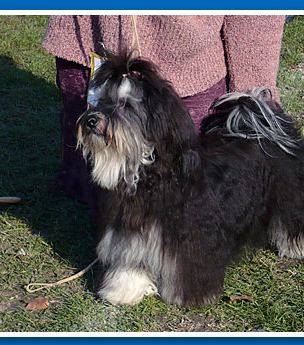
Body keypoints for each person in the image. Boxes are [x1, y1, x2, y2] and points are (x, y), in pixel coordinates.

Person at [42, 15, 285, 208]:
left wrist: (255, 93)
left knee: (191, 192)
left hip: (191, 65)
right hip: (88, 43)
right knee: (94, 196)